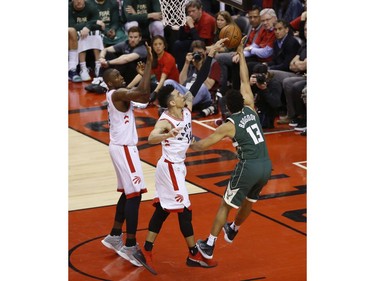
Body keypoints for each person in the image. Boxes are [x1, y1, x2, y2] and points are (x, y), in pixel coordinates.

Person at [131, 39, 228, 275]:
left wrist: (211, 55)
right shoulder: (166, 119)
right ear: (170, 102)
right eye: (177, 93)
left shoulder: (185, 106)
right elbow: (151, 138)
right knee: (184, 209)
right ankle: (194, 253)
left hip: (177, 166)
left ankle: (146, 249)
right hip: (170, 167)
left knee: (164, 209)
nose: (182, 93)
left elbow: (197, 82)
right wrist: (167, 134)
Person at [189, 36, 272, 261]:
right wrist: (241, 51)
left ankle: (209, 244)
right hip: (266, 165)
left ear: (226, 108)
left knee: (226, 203)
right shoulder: (251, 108)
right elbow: (245, 79)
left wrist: (186, 141)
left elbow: (203, 145)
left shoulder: (229, 126)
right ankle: (234, 228)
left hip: (249, 167)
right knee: (250, 201)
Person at [100, 42, 153, 266]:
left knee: (128, 193)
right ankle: (130, 245)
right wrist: (150, 64)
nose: (122, 78)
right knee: (135, 195)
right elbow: (143, 94)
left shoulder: (116, 93)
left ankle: (114, 235)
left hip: (119, 147)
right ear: (110, 82)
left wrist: (141, 76)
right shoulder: (117, 92)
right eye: (118, 76)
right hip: (124, 149)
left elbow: (141, 95)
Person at [214, 5, 263, 124]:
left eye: (255, 17)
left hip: (253, 58)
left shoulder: (261, 30)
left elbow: (260, 49)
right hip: (244, 54)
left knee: (220, 58)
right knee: (228, 62)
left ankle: (223, 86)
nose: (251, 19)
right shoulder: (252, 29)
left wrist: (242, 53)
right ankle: (226, 92)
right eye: (250, 17)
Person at [164, 40, 221, 117]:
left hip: (204, 94)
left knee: (202, 86)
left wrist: (199, 67)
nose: (199, 55)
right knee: (168, 82)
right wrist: (187, 63)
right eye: (196, 53)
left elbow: (209, 86)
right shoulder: (192, 63)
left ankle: (179, 107)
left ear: (205, 52)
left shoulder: (213, 63)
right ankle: (177, 106)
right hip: (187, 92)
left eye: (201, 53)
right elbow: (181, 82)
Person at [172, 0, 216, 71]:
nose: (191, 14)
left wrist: (191, 26)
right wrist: (183, 24)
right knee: (177, 44)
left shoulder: (207, 20)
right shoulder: (191, 19)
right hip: (195, 40)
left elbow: (200, 43)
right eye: (189, 12)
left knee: (181, 46)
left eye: (193, 11)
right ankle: (181, 72)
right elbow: (181, 38)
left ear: (200, 10)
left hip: (207, 45)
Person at [68, 0, 105, 82]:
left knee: (97, 34)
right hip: (74, 34)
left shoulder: (91, 6)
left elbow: (100, 26)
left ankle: (98, 65)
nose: (78, 1)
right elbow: (72, 26)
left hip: (88, 30)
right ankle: (83, 68)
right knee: (80, 34)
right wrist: (92, 23)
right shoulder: (68, 8)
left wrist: (88, 27)